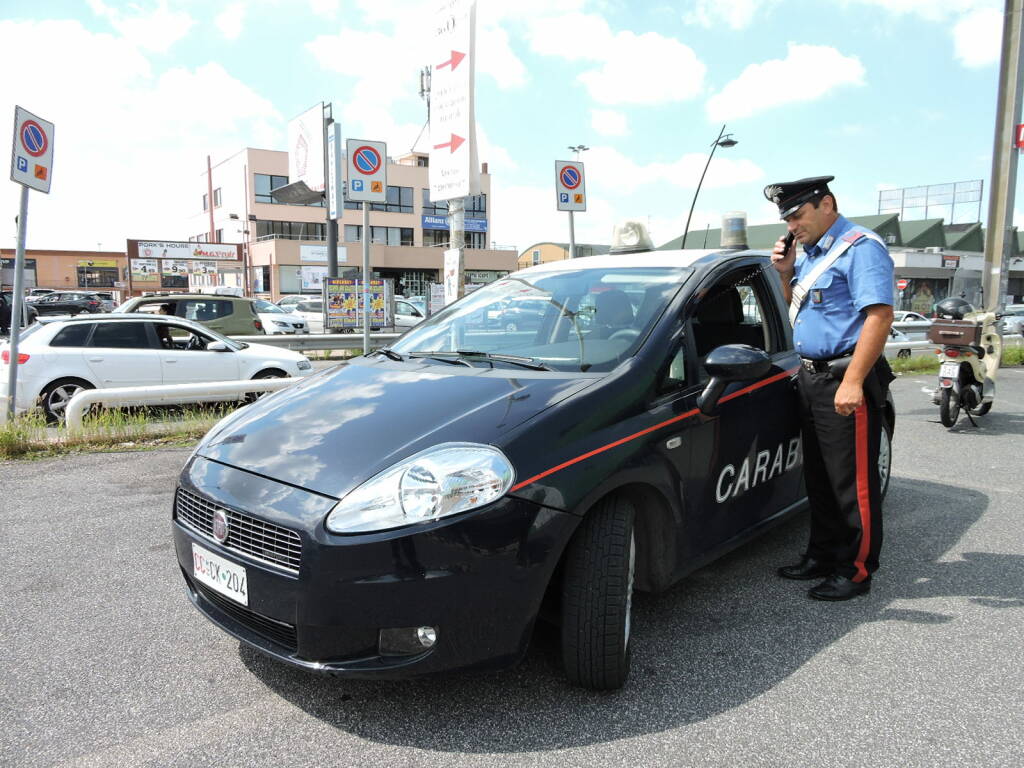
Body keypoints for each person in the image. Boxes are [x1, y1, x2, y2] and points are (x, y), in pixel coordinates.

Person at [766, 176, 895, 601]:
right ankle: (821, 555)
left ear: (827, 204)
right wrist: (785, 274)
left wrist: (854, 381)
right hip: (811, 377)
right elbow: (795, 310)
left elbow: (878, 316)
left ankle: (856, 570)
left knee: (852, 484)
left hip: (843, 378)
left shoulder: (861, 248)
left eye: (798, 215)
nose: (792, 226)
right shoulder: (811, 254)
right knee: (819, 477)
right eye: (787, 219)